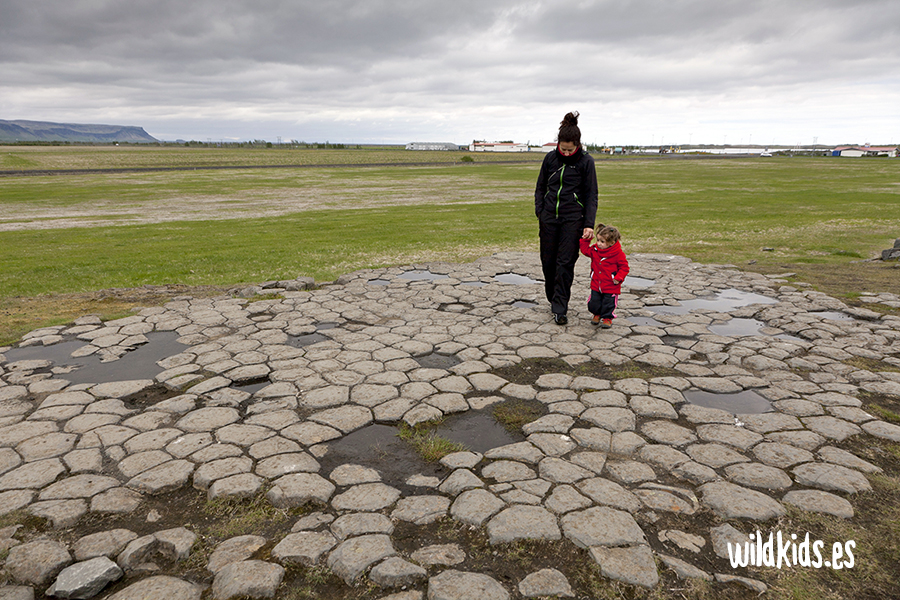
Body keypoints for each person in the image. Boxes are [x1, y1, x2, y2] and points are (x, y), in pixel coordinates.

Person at [534, 112, 598, 325]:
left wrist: (588, 224)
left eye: (571, 149)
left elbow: (591, 195)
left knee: (565, 264)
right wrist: (540, 212)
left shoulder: (586, 162)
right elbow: (540, 187)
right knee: (548, 262)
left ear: (578, 145)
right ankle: (553, 298)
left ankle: (560, 308)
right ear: (558, 144)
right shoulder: (550, 159)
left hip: (573, 220)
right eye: (563, 148)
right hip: (549, 218)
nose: (567, 152)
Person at [579, 224, 630, 328]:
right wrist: (586, 240)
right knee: (594, 302)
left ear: (612, 243)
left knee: (609, 303)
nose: (599, 243)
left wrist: (618, 277)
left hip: (611, 285)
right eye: (598, 240)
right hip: (596, 283)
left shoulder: (618, 254)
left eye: (602, 242)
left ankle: (607, 318)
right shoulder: (595, 250)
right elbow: (585, 251)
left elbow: (624, 268)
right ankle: (596, 314)